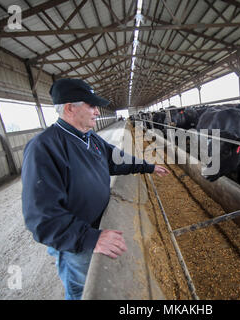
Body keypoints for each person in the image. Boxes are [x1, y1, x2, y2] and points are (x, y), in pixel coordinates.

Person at [21, 78, 169, 300]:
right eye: (91, 105)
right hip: (77, 243)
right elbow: (41, 217)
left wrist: (148, 166)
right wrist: (88, 238)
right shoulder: (44, 148)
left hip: (97, 227)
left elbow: (116, 159)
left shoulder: (91, 139)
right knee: (84, 292)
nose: (97, 112)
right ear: (70, 108)